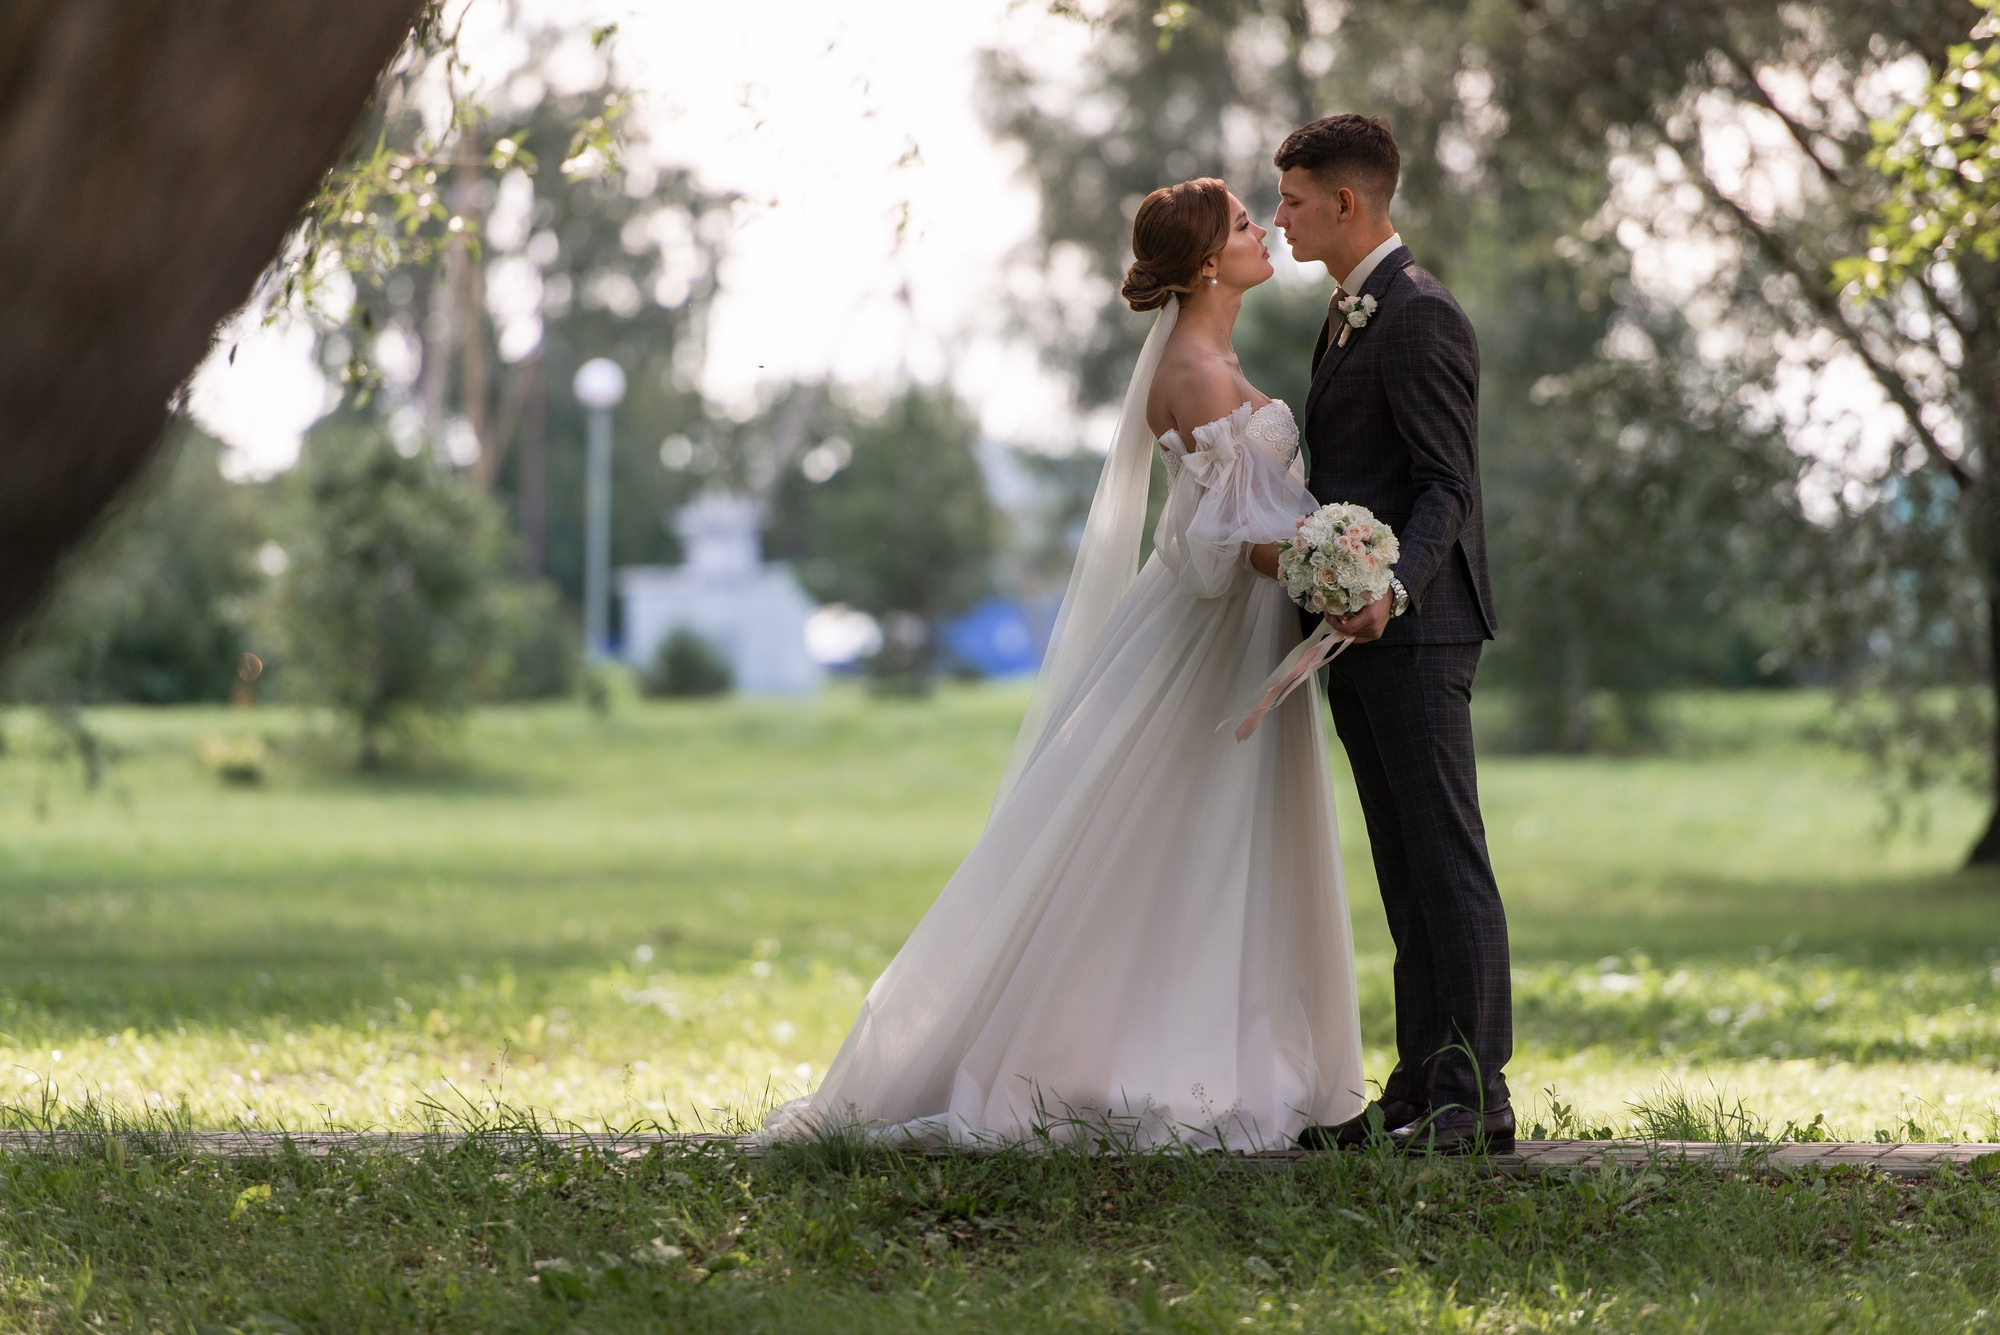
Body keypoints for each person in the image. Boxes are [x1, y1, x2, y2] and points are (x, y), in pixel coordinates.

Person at [760, 178, 1365, 1150]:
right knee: (1182, 835)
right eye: (1248, 223)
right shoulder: (1196, 371)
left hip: (1236, 632)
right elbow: (1220, 537)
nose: (1264, 232)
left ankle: (1228, 1043)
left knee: (1213, 832)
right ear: (1209, 261)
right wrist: (1329, 563)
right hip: (1209, 640)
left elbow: (1243, 514)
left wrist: (1316, 550)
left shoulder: (1213, 357)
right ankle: (1142, 1059)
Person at [1274, 114, 1514, 1156]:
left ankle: (1477, 1099)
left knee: (1444, 859)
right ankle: (1419, 1090)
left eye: (1289, 200)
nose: (1277, 216)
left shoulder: (1415, 315)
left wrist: (1392, 592)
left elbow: (1443, 485)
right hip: (1359, 636)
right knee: (1402, 867)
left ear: (1346, 202)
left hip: (1414, 631)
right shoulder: (1343, 316)